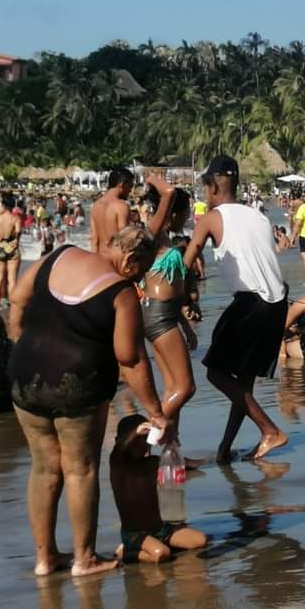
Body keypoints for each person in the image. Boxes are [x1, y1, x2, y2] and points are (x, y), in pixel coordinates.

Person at [7, 226, 168, 577]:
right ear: (130, 259)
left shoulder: (58, 255)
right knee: (80, 469)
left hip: (24, 376)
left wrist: (22, 345)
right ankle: (85, 559)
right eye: (142, 269)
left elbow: (17, 299)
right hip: (76, 384)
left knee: (43, 467)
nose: (140, 278)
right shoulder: (121, 292)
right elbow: (130, 359)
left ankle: (45, 558)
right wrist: (156, 412)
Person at [183, 156, 289, 463]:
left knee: (216, 373)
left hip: (251, 302)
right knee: (242, 383)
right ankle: (224, 449)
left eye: (205, 187)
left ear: (213, 186)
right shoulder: (258, 216)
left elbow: (186, 261)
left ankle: (270, 430)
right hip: (277, 302)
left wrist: (178, 296)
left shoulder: (210, 219)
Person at [139, 179, 199, 431]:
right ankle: (144, 435)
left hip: (164, 314)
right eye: (185, 214)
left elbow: (172, 292)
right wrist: (151, 177)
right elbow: (169, 192)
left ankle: (171, 447)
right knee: (186, 388)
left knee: (173, 388)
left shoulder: (163, 237)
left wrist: (185, 325)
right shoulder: (153, 233)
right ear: (172, 213)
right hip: (158, 316)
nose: (187, 218)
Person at [109, 414, 208, 564]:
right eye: (136, 441)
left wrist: (171, 442)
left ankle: (159, 544)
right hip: (135, 534)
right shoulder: (118, 464)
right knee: (161, 554)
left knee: (200, 540)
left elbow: (177, 462)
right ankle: (126, 552)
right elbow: (121, 448)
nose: (140, 445)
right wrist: (136, 432)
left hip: (161, 528)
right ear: (119, 441)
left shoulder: (152, 463)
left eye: (145, 439)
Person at [0, 191, 24, 302]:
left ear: (3, 205)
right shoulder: (16, 218)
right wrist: (17, 240)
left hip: (1, 246)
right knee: (12, 280)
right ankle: (12, 304)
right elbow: (18, 231)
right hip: (12, 246)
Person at [90, 169, 134, 255]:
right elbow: (124, 240)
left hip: (100, 257)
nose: (130, 190)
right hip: (116, 259)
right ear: (122, 185)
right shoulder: (121, 206)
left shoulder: (96, 205)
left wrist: (94, 260)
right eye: (130, 186)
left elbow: (94, 240)